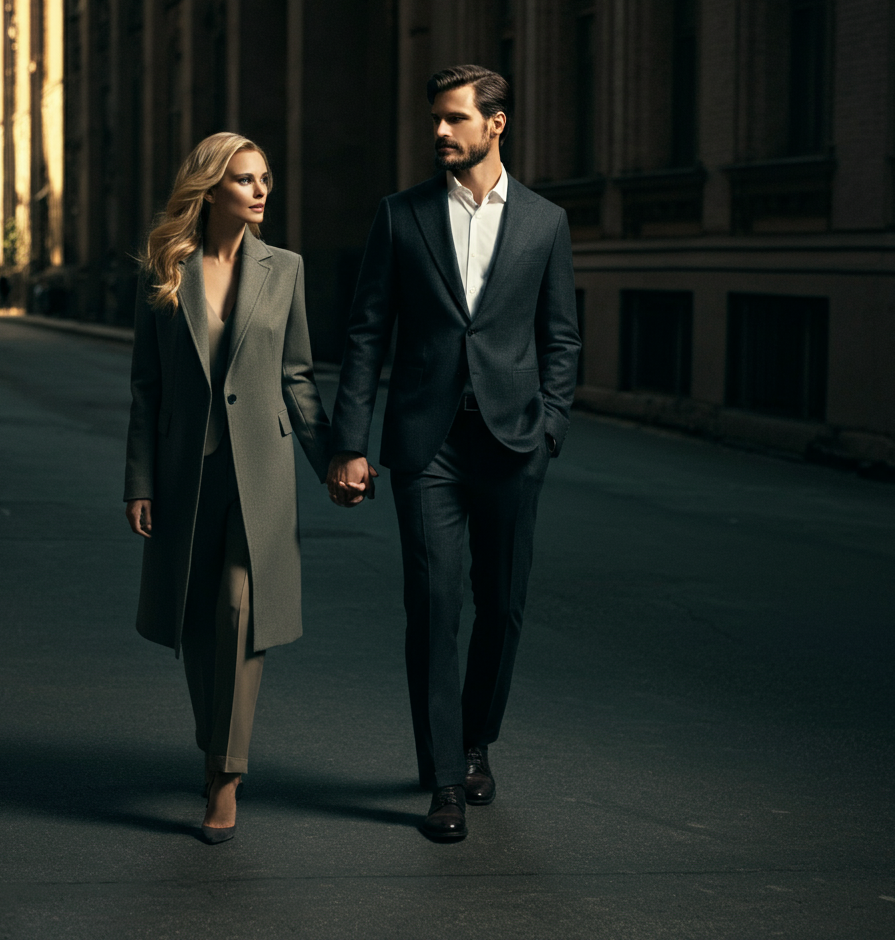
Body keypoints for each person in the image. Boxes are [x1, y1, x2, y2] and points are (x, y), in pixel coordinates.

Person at [327, 65, 581, 841]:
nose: (438, 131)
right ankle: (442, 778)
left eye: (453, 119)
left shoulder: (545, 222)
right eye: (434, 119)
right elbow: (366, 335)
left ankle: (475, 742)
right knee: (434, 609)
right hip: (425, 445)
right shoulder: (401, 217)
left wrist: (550, 428)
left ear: (495, 124)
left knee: (501, 606)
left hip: (511, 442)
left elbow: (561, 335)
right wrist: (351, 443)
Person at [124, 132, 338, 844]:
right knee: (194, 617)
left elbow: (298, 378)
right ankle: (213, 742)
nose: (261, 190)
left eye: (265, 179)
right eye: (245, 180)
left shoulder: (286, 269)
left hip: (262, 473)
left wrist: (333, 459)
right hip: (188, 473)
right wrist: (140, 482)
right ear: (211, 189)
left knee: (242, 615)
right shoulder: (167, 269)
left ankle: (225, 776)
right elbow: (146, 389)